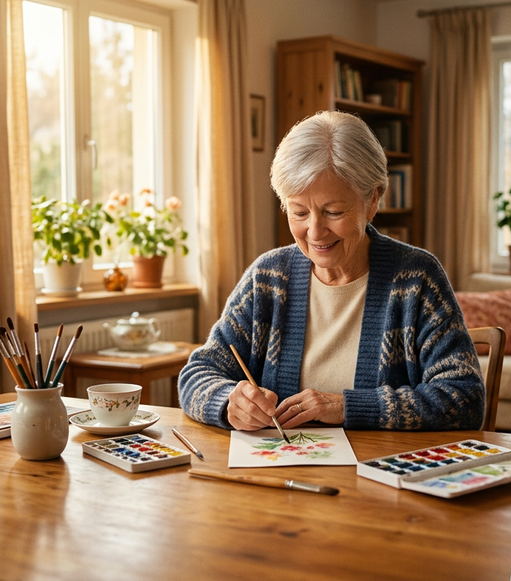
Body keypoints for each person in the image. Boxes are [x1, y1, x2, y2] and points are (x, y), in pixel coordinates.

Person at [179, 110, 484, 432]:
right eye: (298, 212)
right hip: (279, 473)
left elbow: (464, 398)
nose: (314, 231)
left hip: (378, 474)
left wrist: (348, 407)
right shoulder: (268, 278)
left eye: (333, 211)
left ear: (373, 199)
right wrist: (228, 401)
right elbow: (198, 373)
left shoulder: (415, 279)